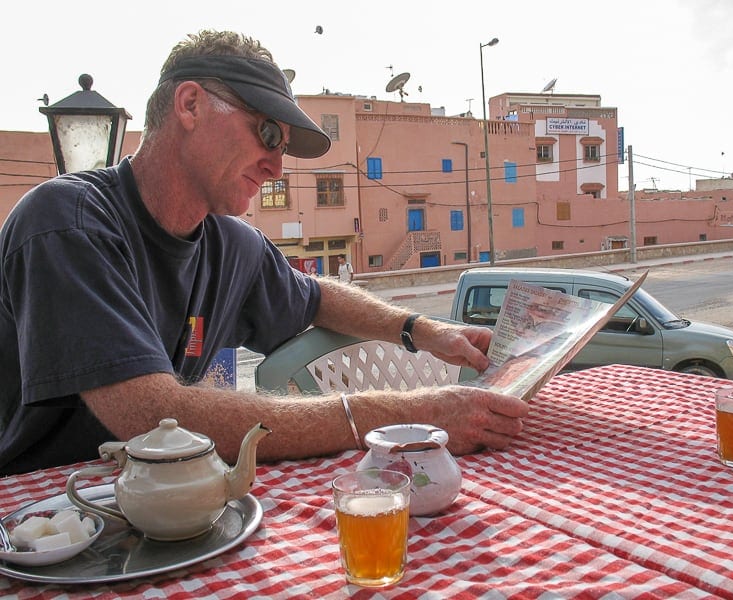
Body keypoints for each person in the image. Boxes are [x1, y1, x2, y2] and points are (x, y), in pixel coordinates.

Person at [0, 30, 527, 475]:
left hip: (165, 498)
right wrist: (406, 415)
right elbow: (154, 415)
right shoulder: (67, 223)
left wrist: (425, 330)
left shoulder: (231, 244)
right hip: (40, 516)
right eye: (268, 132)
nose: (277, 166)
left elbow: (315, 296)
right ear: (190, 105)